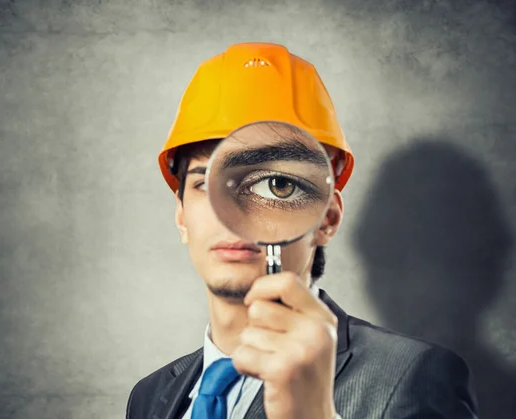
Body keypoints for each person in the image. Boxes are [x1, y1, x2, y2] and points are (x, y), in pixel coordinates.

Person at [125, 42, 479, 419]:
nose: (231, 213)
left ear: (326, 219)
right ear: (181, 216)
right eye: (205, 181)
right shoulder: (151, 396)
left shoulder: (415, 375)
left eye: (277, 185)